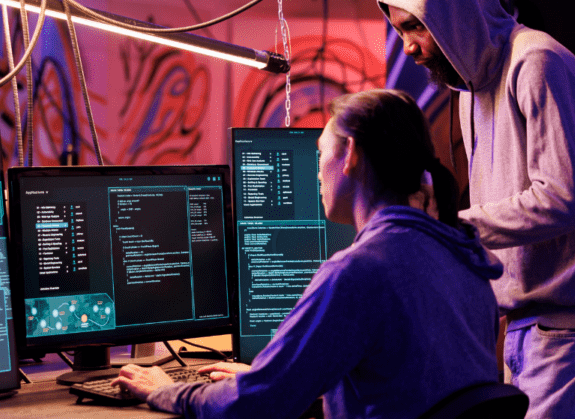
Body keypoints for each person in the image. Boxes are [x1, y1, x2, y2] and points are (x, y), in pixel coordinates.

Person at [113, 89, 504, 419]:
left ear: (350, 153)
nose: (317, 173)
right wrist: (275, 376)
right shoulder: (463, 255)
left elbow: (257, 406)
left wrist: (168, 391)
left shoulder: (357, 272)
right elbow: (410, 392)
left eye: (320, 154)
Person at [377, 0, 575, 418]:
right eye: (399, 32)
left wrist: (446, 224)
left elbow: (561, 198)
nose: (409, 47)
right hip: (531, 323)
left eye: (415, 26)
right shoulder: (468, 89)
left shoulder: (536, 62)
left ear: (454, 10)